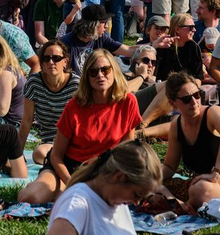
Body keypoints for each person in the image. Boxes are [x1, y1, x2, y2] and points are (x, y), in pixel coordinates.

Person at [18, 50, 142, 204]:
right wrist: (73, 183)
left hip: (106, 169)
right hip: (68, 167)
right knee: (30, 198)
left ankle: (61, 191)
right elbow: (56, 156)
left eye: (105, 69)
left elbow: (128, 151)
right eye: (93, 72)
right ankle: (49, 186)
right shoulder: (75, 105)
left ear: (115, 71)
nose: (100, 75)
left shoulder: (128, 101)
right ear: (87, 77)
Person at [40, 140, 159, 235]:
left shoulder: (116, 199)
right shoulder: (77, 202)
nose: (137, 202)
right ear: (119, 177)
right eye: (136, 195)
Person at [158, 72, 220, 210]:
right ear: (173, 103)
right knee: (151, 184)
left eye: (197, 95)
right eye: (186, 99)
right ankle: (183, 203)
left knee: (200, 190)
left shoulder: (212, 113)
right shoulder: (176, 125)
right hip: (199, 182)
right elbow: (170, 167)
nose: (194, 102)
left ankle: (182, 203)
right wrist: (150, 178)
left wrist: (216, 172)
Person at [20, 40, 80, 164]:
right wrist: (18, 153)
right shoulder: (34, 83)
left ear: (65, 62)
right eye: (46, 58)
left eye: (56, 58)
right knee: (38, 154)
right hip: (50, 141)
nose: (51, 62)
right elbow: (27, 119)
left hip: (74, 139)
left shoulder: (76, 85)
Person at [60, 5, 136, 77]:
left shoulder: (101, 37)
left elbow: (128, 50)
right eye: (104, 23)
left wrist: (146, 49)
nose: (106, 26)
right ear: (94, 25)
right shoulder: (66, 43)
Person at [154, 13, 204, 82]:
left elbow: (198, 77)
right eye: (191, 27)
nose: (194, 30)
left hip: (188, 86)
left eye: (194, 27)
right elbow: (155, 75)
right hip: (165, 86)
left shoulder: (194, 47)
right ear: (177, 29)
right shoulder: (163, 47)